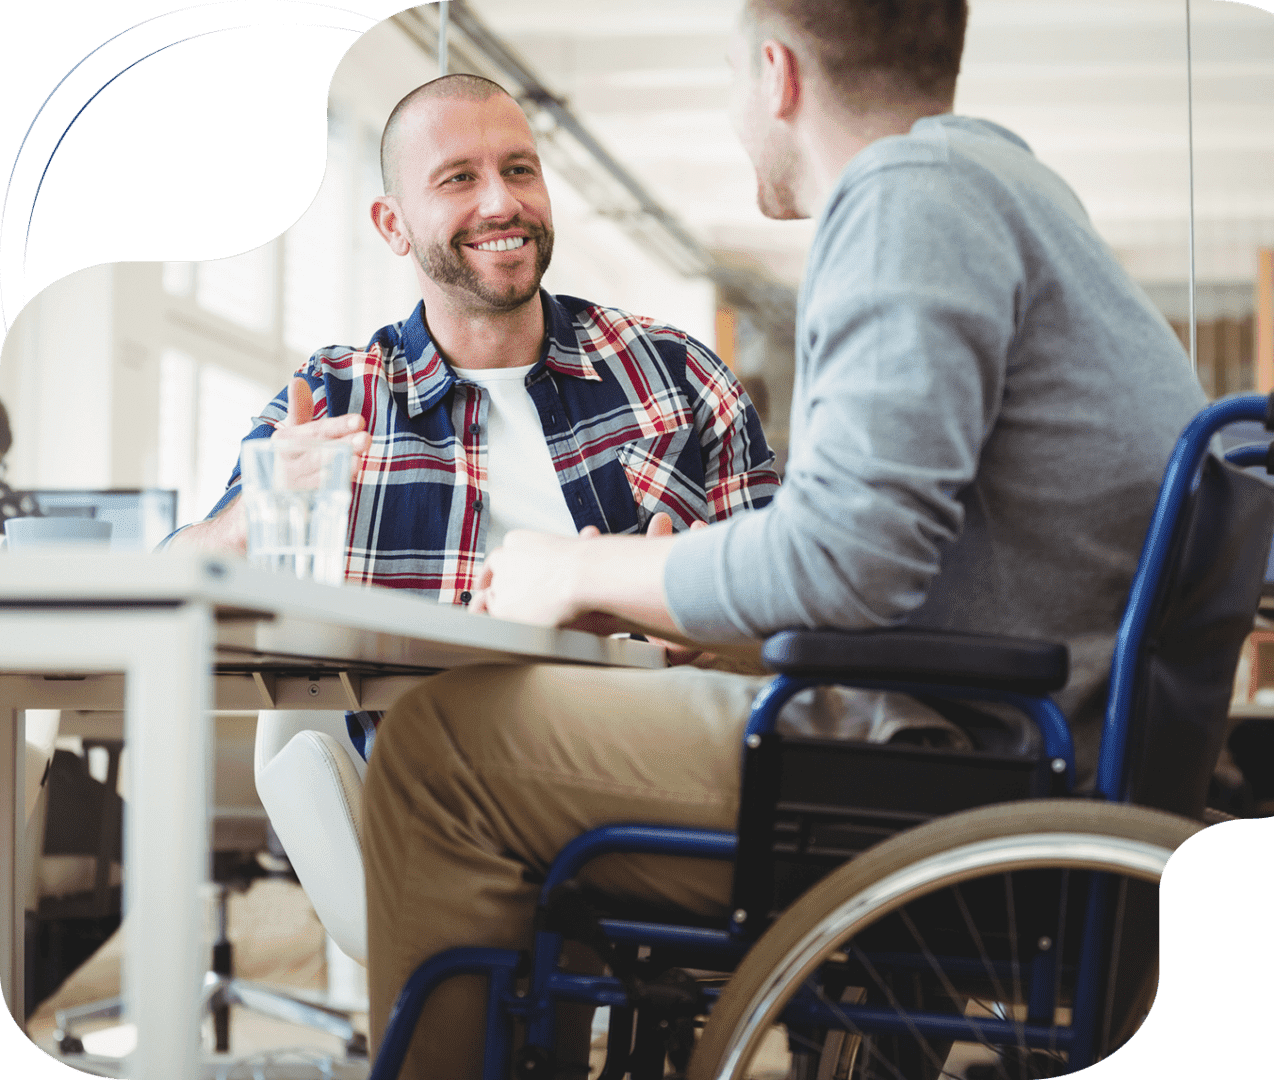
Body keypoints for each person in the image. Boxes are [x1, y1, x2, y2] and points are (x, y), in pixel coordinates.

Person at [362, 1, 1209, 1074]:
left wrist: (573, 565)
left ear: (776, 75)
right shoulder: (1014, 189)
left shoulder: (907, 198)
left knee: (441, 747)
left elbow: (841, 560)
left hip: (958, 790)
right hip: (1037, 757)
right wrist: (672, 594)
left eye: (727, 79)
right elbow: (896, 562)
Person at [171, 74, 779, 757]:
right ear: (392, 225)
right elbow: (169, 587)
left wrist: (703, 633)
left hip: (650, 777)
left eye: (520, 170)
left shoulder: (679, 376)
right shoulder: (334, 397)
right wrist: (250, 518)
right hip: (422, 794)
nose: (502, 202)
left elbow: (795, 619)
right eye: (458, 178)